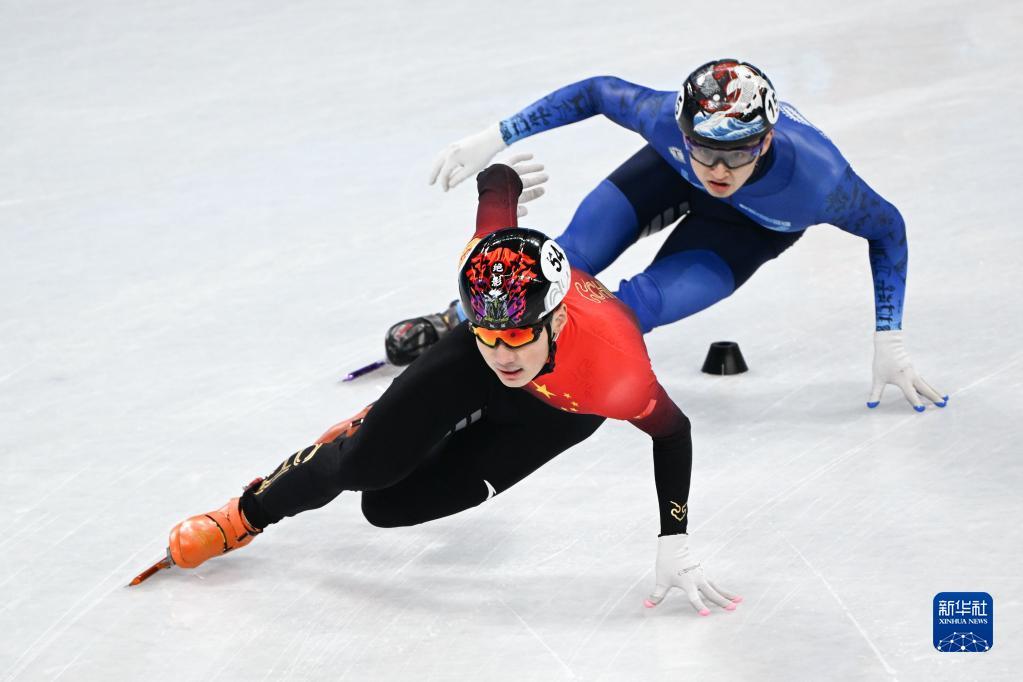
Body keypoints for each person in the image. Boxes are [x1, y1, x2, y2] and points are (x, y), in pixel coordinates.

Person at [132, 163, 741, 617]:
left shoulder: (617, 371)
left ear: (554, 320)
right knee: (366, 466)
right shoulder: (491, 277)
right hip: (462, 367)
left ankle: (410, 426)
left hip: (559, 411)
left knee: (387, 508)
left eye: (516, 339)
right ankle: (247, 512)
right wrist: (500, 175)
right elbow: (496, 194)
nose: (504, 355)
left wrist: (674, 534)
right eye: (489, 334)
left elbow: (674, 431)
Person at [389, 58, 945, 412]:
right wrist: (496, 135)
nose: (720, 171)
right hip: (664, 173)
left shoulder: (820, 180)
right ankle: (458, 321)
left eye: (740, 153)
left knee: (631, 310)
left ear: (768, 140)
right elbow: (597, 90)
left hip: (748, 232)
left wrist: (887, 337)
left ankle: (529, 377)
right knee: (564, 260)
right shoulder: (661, 120)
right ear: (681, 129)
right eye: (704, 149)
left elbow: (888, 229)